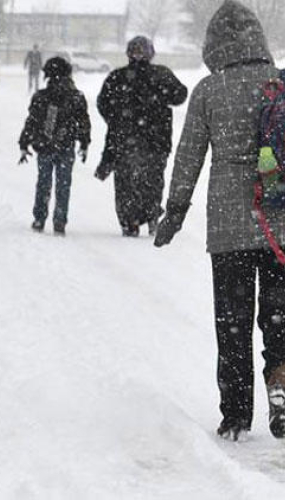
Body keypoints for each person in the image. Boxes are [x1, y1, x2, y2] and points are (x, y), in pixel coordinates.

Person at [154, 0, 285, 442]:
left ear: (213, 44)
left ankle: (235, 416)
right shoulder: (279, 84)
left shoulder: (209, 90)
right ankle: (281, 381)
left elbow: (189, 155)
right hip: (278, 222)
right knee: (279, 317)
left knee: (232, 321)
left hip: (228, 226)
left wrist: (175, 211)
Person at [96, 36, 187, 237]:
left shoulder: (117, 77)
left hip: (125, 140)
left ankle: (130, 220)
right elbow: (180, 95)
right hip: (156, 140)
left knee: (126, 183)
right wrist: (161, 98)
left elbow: (103, 103)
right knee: (152, 181)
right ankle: (151, 214)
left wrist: (117, 119)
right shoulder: (161, 74)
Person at [18, 57, 90, 235]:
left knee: (43, 182)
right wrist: (84, 142)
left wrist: (24, 142)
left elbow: (32, 122)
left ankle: (39, 218)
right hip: (66, 146)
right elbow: (84, 122)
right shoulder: (76, 97)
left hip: (45, 146)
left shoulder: (41, 96)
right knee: (63, 185)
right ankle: (59, 220)